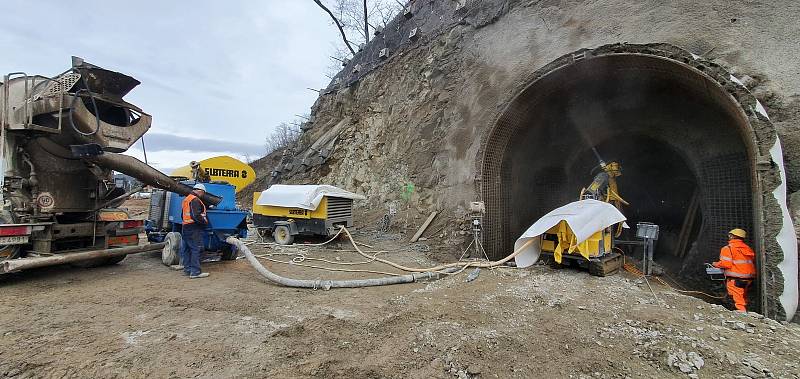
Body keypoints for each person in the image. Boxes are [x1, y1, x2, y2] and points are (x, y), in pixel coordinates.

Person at [712, 228, 756, 312]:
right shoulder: (747, 248)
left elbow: (726, 264)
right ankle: (747, 311)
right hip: (749, 278)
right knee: (743, 296)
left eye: (730, 235)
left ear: (732, 236)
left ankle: (743, 315)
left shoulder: (728, 248)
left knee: (738, 299)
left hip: (737, 278)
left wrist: (715, 264)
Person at [180, 183, 210, 279]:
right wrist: (204, 222)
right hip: (193, 228)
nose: (203, 195)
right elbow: (196, 215)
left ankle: (187, 269)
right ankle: (195, 272)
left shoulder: (187, 199)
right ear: (200, 191)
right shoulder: (195, 200)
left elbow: (182, 215)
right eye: (203, 193)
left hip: (185, 226)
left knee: (187, 249)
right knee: (195, 249)